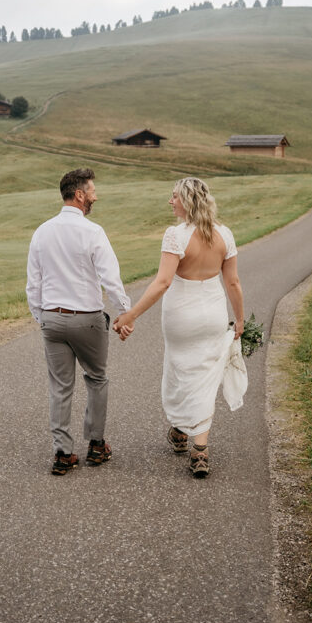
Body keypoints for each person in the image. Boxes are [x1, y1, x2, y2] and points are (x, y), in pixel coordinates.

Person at [114, 177, 246, 478]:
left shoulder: (176, 235)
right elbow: (233, 283)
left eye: (174, 197)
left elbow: (162, 282)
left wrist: (131, 314)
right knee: (205, 374)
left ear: (187, 201)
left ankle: (190, 440)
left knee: (181, 370)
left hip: (180, 316)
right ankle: (189, 439)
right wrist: (239, 319)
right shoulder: (224, 234)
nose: (170, 202)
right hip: (213, 313)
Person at [26, 168, 131, 475]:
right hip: (86, 319)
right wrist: (124, 313)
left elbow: (34, 284)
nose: (96, 196)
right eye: (92, 191)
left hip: (52, 320)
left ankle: (62, 453)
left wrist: (41, 318)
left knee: (60, 387)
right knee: (96, 378)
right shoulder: (92, 232)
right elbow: (110, 279)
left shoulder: (41, 231)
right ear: (80, 195)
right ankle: (96, 446)